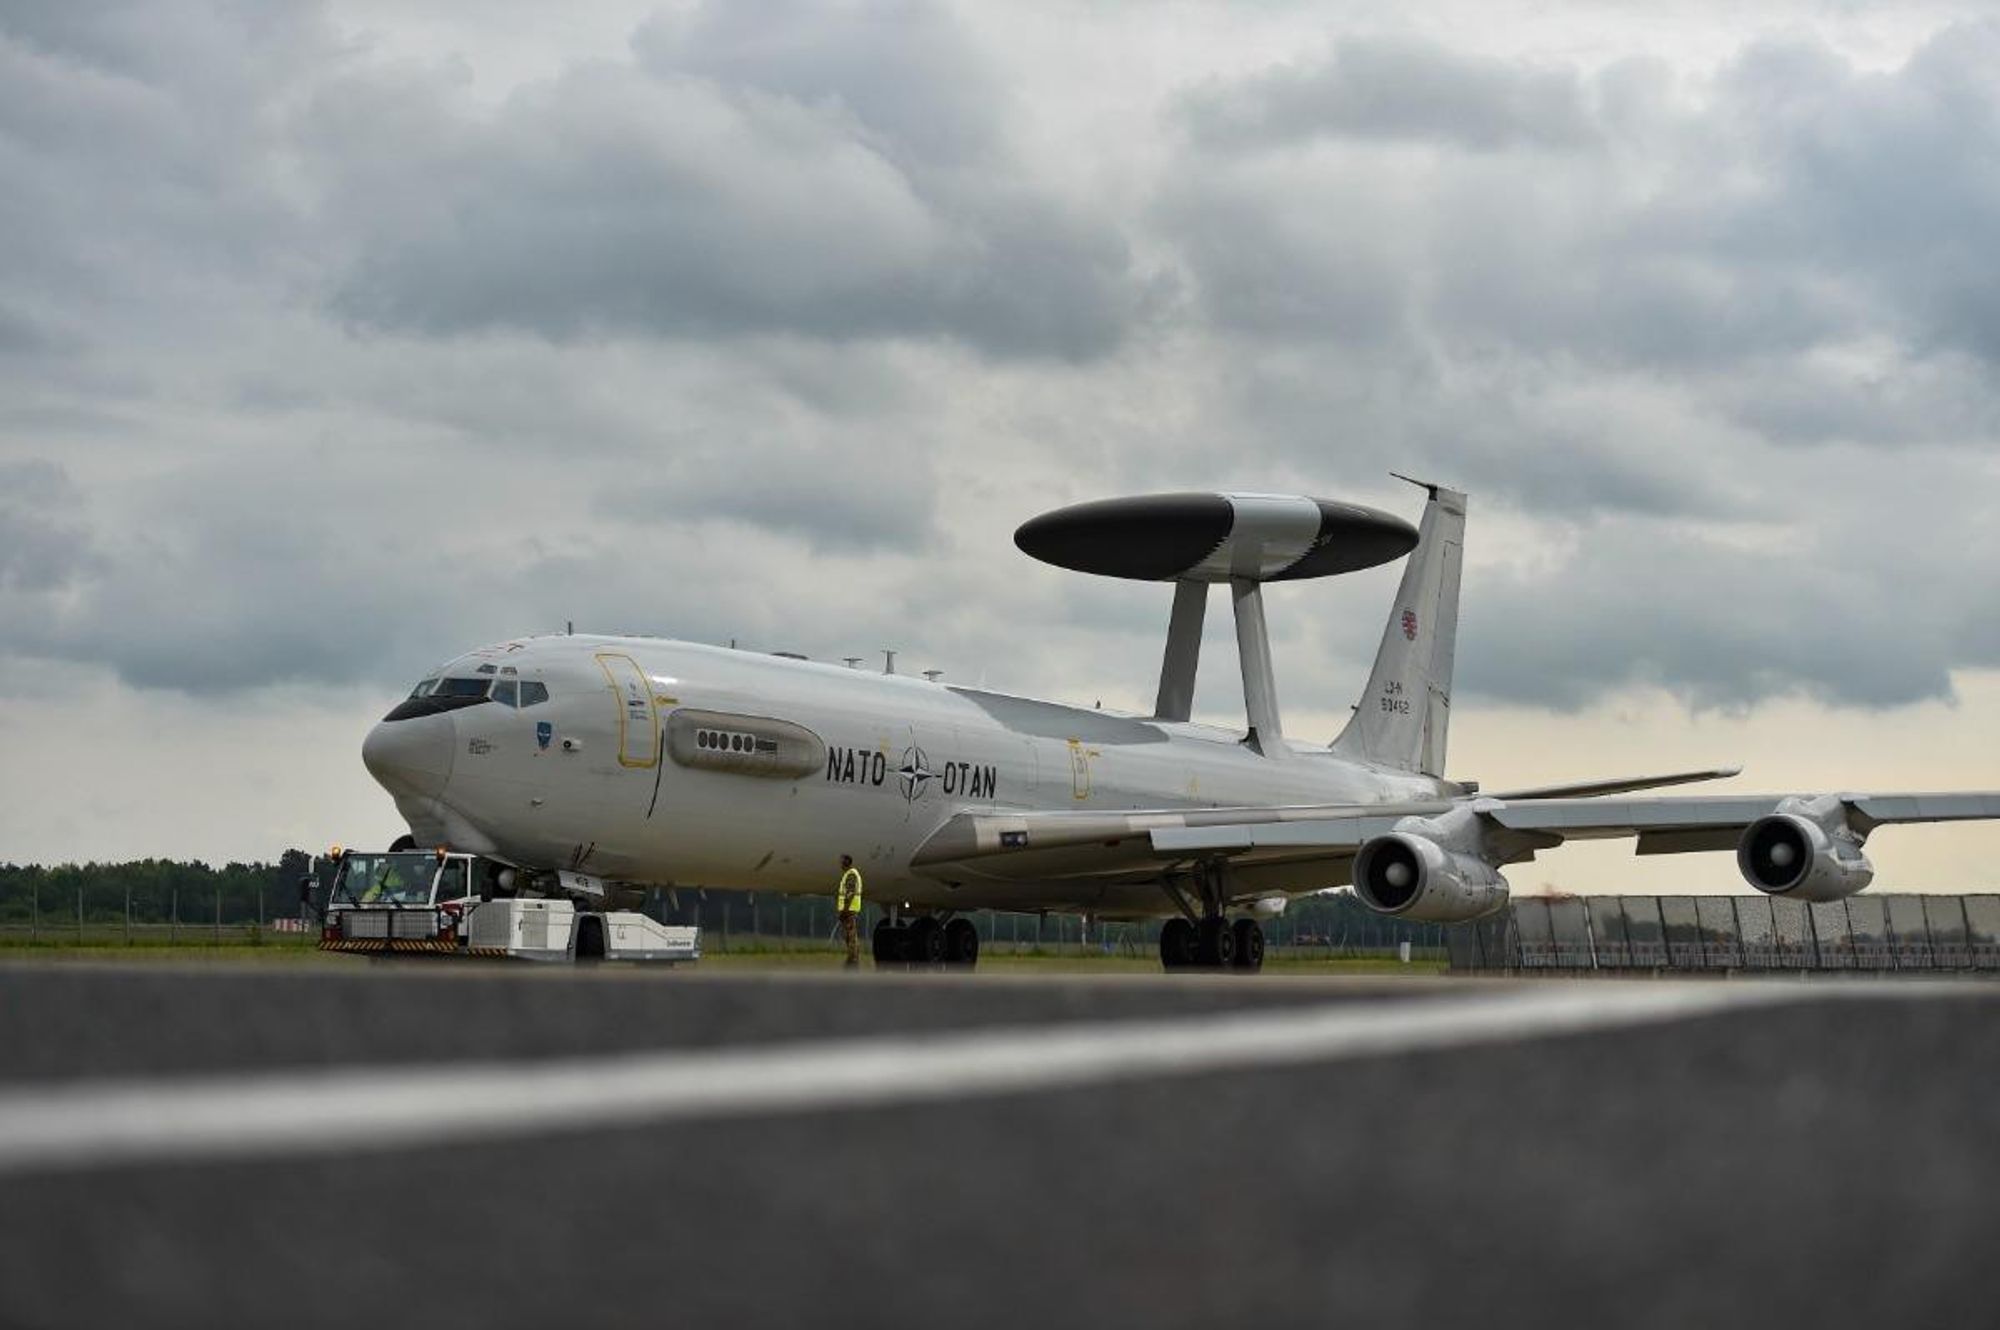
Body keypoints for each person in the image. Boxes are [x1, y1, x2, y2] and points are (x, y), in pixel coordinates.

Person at [835, 854, 864, 968]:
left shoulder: (851, 875)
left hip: (849, 910)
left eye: (842, 861)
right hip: (849, 910)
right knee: (849, 936)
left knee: (851, 936)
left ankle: (853, 960)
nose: (840, 863)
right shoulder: (849, 874)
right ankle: (852, 959)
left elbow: (849, 894)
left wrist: (844, 911)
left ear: (847, 862)